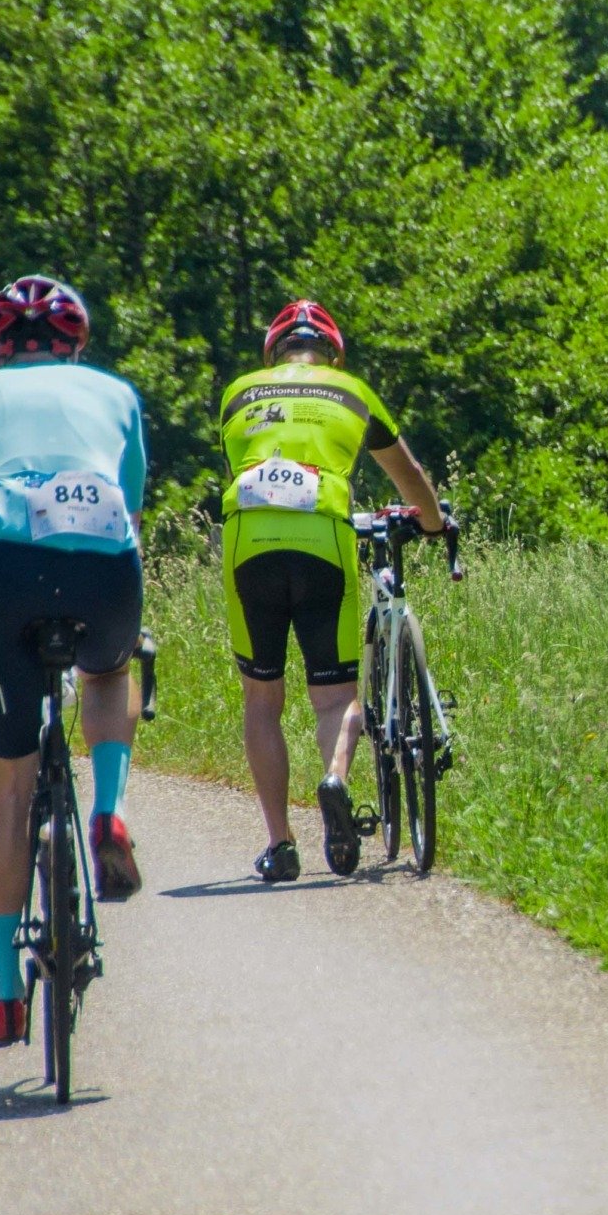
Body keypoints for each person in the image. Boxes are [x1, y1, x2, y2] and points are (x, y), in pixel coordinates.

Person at [0, 276, 150, 1048]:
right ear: (75, 344)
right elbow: (132, 510)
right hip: (103, 564)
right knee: (111, 671)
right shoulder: (115, 394)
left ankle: (2, 996)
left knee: (4, 782)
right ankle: (109, 809)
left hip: (0, 572)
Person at [219, 299, 448, 881]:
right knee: (334, 696)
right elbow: (410, 476)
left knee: (262, 699)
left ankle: (281, 843)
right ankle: (336, 779)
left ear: (273, 351)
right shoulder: (351, 391)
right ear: (332, 353)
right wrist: (433, 523)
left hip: (250, 544)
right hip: (323, 538)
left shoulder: (238, 392)